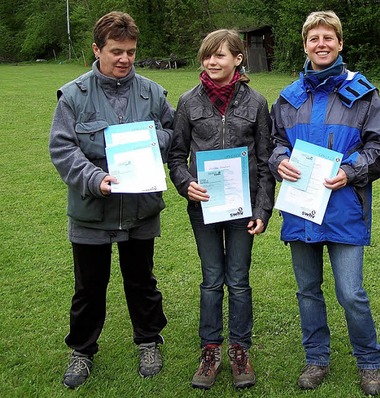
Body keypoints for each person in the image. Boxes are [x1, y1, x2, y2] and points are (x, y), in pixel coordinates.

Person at [49, 11, 174, 389]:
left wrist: (155, 144)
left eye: (131, 52)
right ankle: (82, 350)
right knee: (89, 286)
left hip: (140, 209)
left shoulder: (152, 93)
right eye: (116, 51)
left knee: (142, 281)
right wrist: (94, 178)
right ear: (97, 49)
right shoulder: (73, 95)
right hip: (91, 210)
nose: (124, 59)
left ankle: (149, 340)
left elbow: (171, 131)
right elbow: (62, 148)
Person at [269, 10, 380, 396]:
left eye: (328, 37)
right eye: (313, 38)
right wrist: (278, 161)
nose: (321, 44)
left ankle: (368, 362)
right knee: (307, 290)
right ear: (305, 45)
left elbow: (379, 148)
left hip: (344, 209)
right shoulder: (288, 98)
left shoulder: (364, 93)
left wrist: (352, 171)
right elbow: (273, 144)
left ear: (340, 43)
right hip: (301, 210)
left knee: (351, 292)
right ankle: (317, 358)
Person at [167, 29, 274, 390]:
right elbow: (176, 155)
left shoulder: (257, 103)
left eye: (220, 56)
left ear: (238, 60)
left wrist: (263, 209)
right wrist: (185, 184)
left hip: (243, 209)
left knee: (239, 282)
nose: (211, 62)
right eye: (207, 56)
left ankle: (240, 350)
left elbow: (265, 161)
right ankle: (210, 349)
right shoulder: (188, 102)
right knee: (212, 280)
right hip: (205, 209)